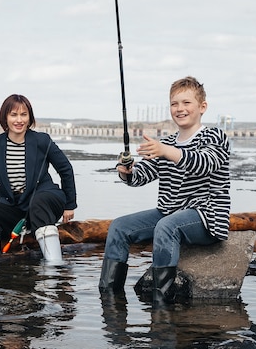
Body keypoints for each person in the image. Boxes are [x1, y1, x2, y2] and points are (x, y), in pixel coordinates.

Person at [98, 76, 230, 306]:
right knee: (119, 227)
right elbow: (141, 176)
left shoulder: (214, 136)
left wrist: (166, 151)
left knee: (167, 226)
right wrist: (127, 171)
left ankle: (161, 300)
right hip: (169, 212)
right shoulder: (167, 142)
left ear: (202, 107)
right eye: (174, 104)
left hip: (206, 216)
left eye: (186, 103)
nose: (180, 109)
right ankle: (109, 297)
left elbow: (204, 163)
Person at [0, 94, 77, 264]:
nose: (19, 120)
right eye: (14, 115)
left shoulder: (42, 140)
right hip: (14, 207)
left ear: (30, 118)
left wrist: (70, 205)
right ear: (5, 118)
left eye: (23, 114)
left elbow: (65, 169)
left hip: (46, 201)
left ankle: (55, 267)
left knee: (39, 201)